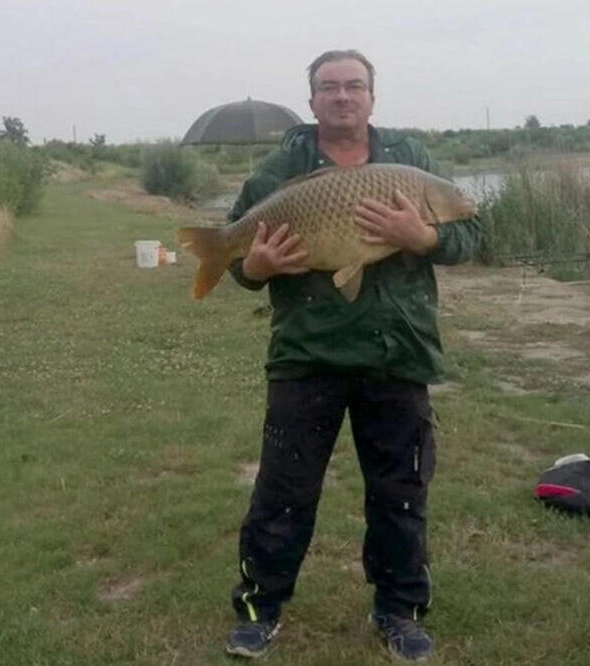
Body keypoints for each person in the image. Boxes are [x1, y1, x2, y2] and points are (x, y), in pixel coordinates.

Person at [223, 49, 482, 661]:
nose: (343, 97)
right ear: (312, 99)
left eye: (355, 86)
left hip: (397, 352)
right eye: (330, 87)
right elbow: (240, 257)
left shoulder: (412, 162)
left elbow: (471, 229)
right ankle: (260, 608)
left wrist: (423, 237)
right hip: (306, 354)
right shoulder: (278, 170)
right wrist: (253, 267)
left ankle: (399, 610)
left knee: (400, 492)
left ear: (372, 96)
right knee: (283, 488)